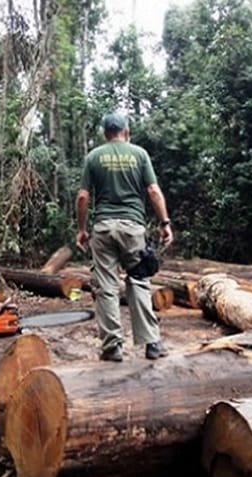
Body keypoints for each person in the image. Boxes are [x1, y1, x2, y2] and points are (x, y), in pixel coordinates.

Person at [75, 112, 174, 362]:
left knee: (106, 287)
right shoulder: (139, 154)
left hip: (104, 228)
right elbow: (153, 190)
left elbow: (83, 196)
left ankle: (112, 347)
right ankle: (152, 344)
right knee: (139, 282)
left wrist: (81, 229)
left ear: (105, 133)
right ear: (126, 131)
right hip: (133, 228)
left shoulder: (94, 156)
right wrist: (164, 223)